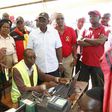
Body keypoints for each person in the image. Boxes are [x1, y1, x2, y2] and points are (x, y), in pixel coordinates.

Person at [27, 12, 63, 77]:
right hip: (39, 68)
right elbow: (29, 51)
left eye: (44, 20)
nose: (41, 22)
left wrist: (60, 63)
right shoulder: (32, 34)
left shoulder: (54, 32)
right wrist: (31, 65)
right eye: (40, 20)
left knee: (54, 86)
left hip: (53, 67)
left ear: (48, 21)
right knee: (41, 86)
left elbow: (58, 48)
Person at [77, 10, 107, 87]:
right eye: (90, 16)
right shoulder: (85, 28)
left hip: (97, 63)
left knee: (97, 86)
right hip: (85, 62)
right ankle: (83, 98)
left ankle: (97, 99)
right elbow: (79, 41)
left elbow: (100, 42)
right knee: (81, 86)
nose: (91, 17)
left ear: (99, 17)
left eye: (94, 16)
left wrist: (86, 39)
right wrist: (95, 42)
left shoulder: (104, 29)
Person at [55, 13, 77, 78]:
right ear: (55, 21)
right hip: (56, 59)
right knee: (58, 78)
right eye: (58, 19)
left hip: (68, 58)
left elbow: (74, 45)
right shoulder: (53, 31)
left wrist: (75, 58)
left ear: (64, 19)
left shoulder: (71, 30)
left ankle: (68, 88)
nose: (60, 20)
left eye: (62, 18)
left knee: (68, 78)